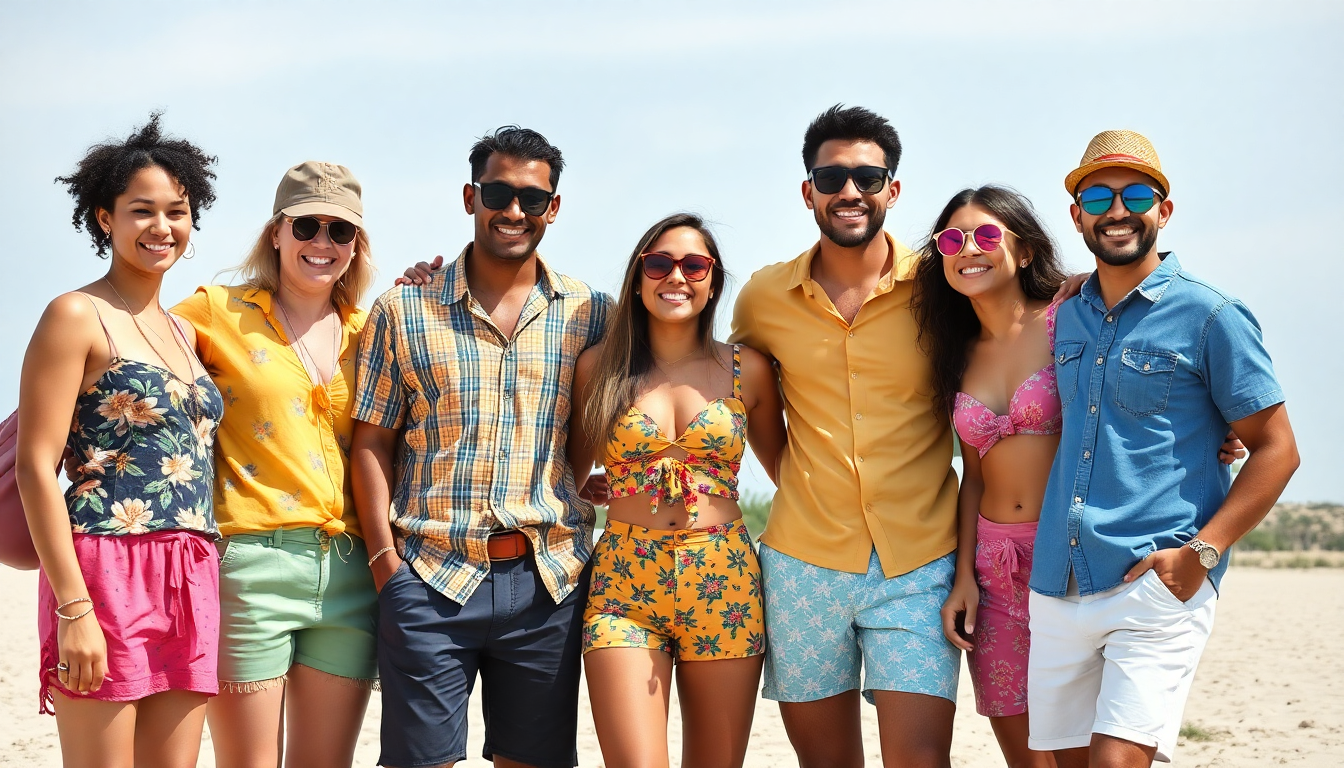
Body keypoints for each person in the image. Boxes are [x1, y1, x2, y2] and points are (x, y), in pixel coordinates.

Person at [912, 186, 1245, 768]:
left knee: (1100, 750)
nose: (969, 248)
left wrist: (1218, 428)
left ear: (1023, 250)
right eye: (952, 239)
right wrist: (964, 574)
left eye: (987, 234)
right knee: (1029, 754)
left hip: (1075, 556)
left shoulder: (1070, 318)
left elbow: (1144, 383)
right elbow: (973, 475)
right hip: (993, 567)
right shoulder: (955, 351)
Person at [1027, 131, 1299, 767]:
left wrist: (1202, 553)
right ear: (1077, 216)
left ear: (1163, 210)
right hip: (1058, 581)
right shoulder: (1063, 313)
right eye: (1097, 195)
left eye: (1135, 194)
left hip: (1155, 580)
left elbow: (1277, 449)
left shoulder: (1212, 315)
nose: (1116, 209)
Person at [351, 125, 610, 768]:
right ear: (471, 197)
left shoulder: (592, 313)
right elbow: (371, 442)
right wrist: (388, 567)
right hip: (429, 576)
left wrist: (590, 484)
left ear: (554, 207)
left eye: (532, 196)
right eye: (498, 191)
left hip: (549, 579)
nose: (513, 209)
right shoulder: (404, 310)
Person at [729, 104, 972, 768]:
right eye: (831, 177)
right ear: (807, 190)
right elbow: (738, 389)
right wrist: (801, 484)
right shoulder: (763, 297)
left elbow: (1025, 329)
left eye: (868, 177)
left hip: (920, 562)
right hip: (803, 564)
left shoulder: (943, 286)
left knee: (921, 760)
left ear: (893, 189)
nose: (849, 192)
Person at [18, 114, 223, 768]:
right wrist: (74, 608)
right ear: (106, 217)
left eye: (177, 211)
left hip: (191, 568)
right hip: (105, 569)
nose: (161, 227)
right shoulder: (76, 314)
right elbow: (33, 467)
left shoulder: (186, 335)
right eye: (142, 211)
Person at [171, 161, 378, 767]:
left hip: (350, 576)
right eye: (307, 226)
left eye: (341, 232)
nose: (322, 243)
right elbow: (133, 345)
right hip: (248, 570)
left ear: (355, 246)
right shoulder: (215, 310)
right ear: (276, 234)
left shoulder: (374, 331)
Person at [567, 213, 787, 768]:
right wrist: (601, 486)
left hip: (724, 576)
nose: (676, 277)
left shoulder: (748, 369)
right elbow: (566, 475)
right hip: (623, 579)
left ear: (713, 280)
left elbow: (790, 471)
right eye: (660, 263)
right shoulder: (598, 368)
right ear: (639, 276)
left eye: (694, 265)